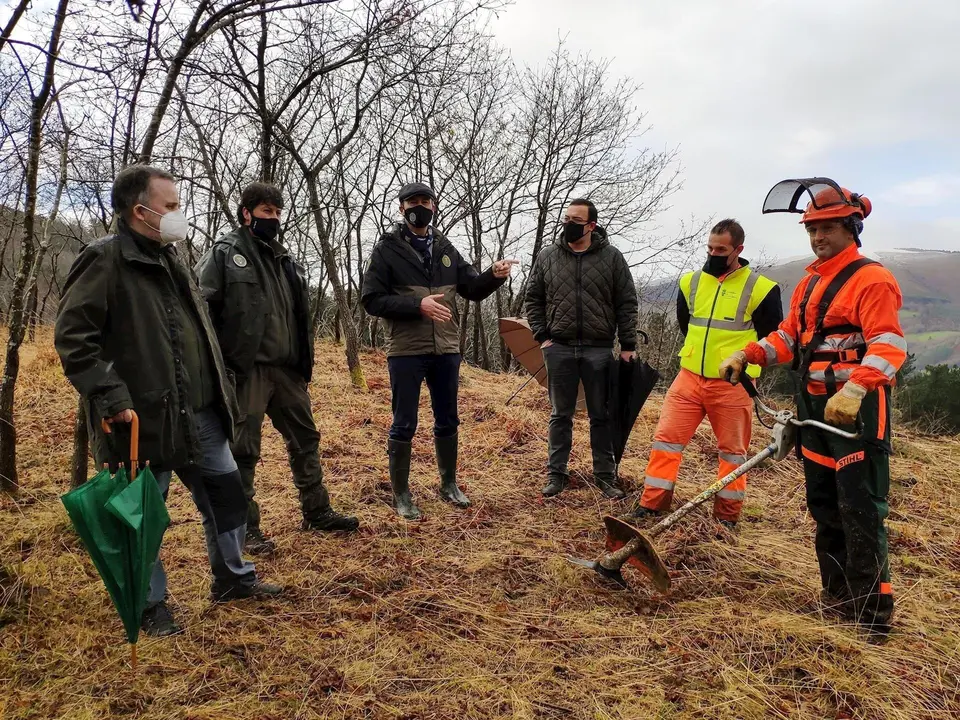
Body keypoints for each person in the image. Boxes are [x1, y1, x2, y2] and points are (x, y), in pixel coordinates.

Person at [55, 165, 281, 638]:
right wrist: (110, 395)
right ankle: (148, 604)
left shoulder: (173, 258)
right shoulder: (105, 260)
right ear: (141, 211)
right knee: (143, 516)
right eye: (172, 206)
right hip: (142, 419)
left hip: (200, 413)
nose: (179, 215)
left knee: (226, 497)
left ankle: (233, 580)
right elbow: (75, 339)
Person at [720, 181, 905, 638]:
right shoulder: (810, 281)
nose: (818, 237)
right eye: (812, 230)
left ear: (851, 227)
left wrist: (857, 388)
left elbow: (888, 343)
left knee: (860, 507)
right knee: (823, 504)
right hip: (814, 408)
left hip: (857, 412)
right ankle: (836, 594)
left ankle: (870, 615)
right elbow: (788, 338)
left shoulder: (872, 279)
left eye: (827, 228)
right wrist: (750, 354)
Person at [196, 182, 358, 556]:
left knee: (306, 440)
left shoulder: (288, 261)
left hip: (288, 372)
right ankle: (245, 529)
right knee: (242, 452)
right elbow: (201, 311)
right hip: (246, 371)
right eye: (266, 211)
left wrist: (304, 366)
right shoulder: (224, 254)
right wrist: (217, 368)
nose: (273, 218)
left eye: (277, 212)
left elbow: (300, 317)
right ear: (246, 213)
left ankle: (317, 512)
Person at [360, 182, 517, 520]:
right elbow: (371, 299)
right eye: (413, 202)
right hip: (406, 350)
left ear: (434, 206)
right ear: (402, 209)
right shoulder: (386, 250)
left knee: (448, 418)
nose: (421, 206)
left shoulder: (445, 248)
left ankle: (449, 484)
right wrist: (418, 305)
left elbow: (472, 289)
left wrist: (494, 274)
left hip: (446, 348)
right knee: (405, 422)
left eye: (426, 201)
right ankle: (402, 494)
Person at [629, 219, 782, 528]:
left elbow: (772, 339)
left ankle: (726, 518)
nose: (713, 253)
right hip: (688, 378)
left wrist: (743, 363)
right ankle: (652, 504)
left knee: (733, 454)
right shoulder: (691, 283)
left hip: (733, 384)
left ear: (738, 249)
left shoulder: (762, 289)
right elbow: (687, 326)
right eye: (710, 247)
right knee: (665, 442)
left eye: (721, 249)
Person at [524, 199, 639, 500]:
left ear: (591, 226)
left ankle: (605, 476)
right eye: (566, 218)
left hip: (598, 350)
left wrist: (628, 345)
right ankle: (556, 474)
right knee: (560, 414)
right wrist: (541, 335)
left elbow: (626, 302)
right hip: (558, 348)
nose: (569, 224)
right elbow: (533, 297)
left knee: (600, 415)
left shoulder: (612, 258)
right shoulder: (548, 256)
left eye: (576, 219)